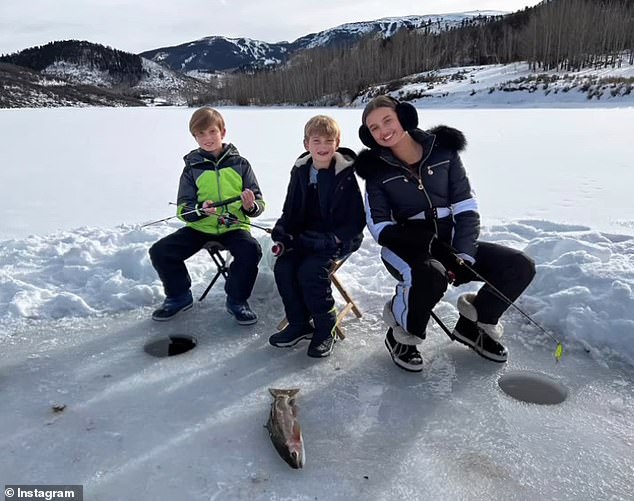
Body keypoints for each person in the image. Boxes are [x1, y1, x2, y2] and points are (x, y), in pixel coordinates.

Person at [355, 96, 535, 372]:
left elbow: (465, 206)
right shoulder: (376, 172)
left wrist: (463, 253)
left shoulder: (443, 152)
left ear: (404, 116)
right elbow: (379, 227)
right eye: (374, 127)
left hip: (452, 243)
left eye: (387, 120)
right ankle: (402, 332)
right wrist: (427, 244)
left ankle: (474, 324)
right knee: (430, 274)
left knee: (519, 266)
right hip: (405, 249)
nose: (382, 130)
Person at [149, 106, 265, 324]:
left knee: (250, 250)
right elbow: (183, 209)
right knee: (160, 251)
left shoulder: (241, 164)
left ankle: (237, 300)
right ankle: (179, 296)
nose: (207, 138)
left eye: (212, 131)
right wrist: (200, 210)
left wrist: (250, 206)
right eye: (200, 134)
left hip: (234, 226)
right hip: (199, 228)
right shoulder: (191, 168)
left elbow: (259, 201)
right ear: (194, 137)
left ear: (223, 131)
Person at [268, 115, 365, 358]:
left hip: (336, 238)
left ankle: (325, 329)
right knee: (284, 267)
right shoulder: (300, 170)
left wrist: (334, 239)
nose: (323, 146)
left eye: (329, 140)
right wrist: (282, 232)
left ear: (337, 142)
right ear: (306, 144)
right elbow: (290, 210)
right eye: (317, 140)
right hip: (304, 236)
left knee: (311, 271)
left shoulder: (345, 174)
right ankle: (299, 323)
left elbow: (356, 220)